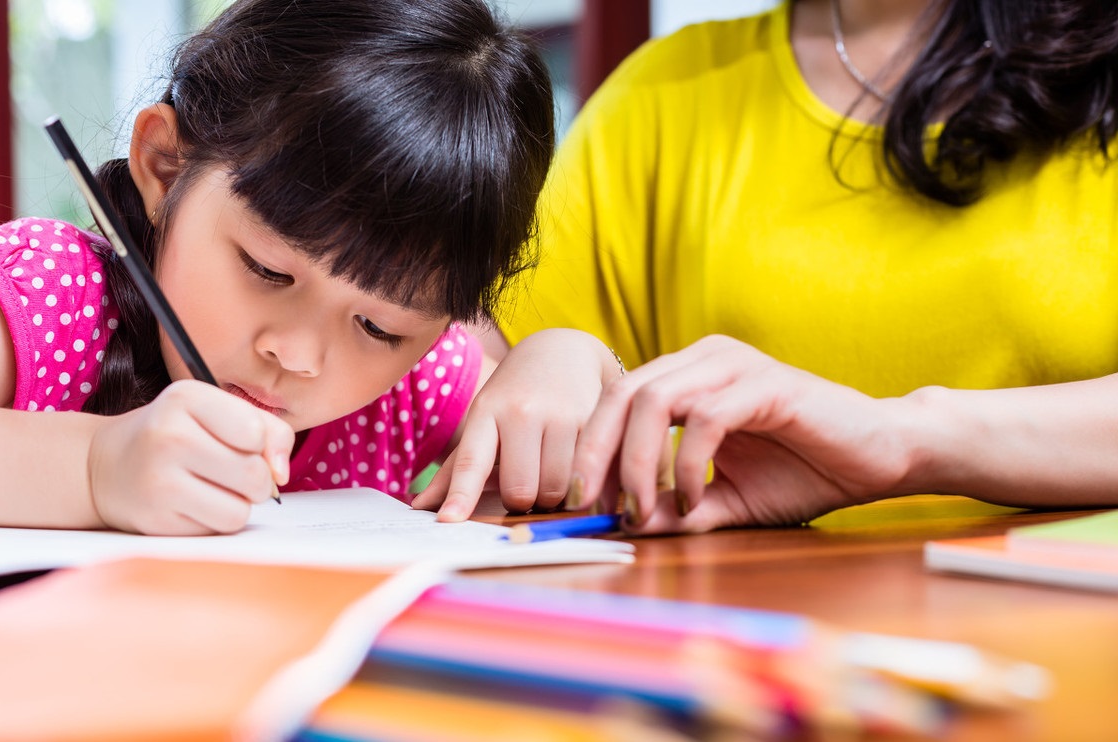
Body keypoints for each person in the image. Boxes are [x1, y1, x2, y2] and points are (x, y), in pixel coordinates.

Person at [0, 0, 622, 535]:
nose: (298, 355)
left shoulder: (411, 389)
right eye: (268, 271)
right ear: (165, 167)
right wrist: (93, 470)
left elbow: (569, 468)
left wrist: (564, 359)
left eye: (378, 327)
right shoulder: (55, 298)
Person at [414, 0, 1118, 533]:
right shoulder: (665, 94)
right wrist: (553, 357)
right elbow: (442, 401)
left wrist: (902, 439)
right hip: (726, 641)